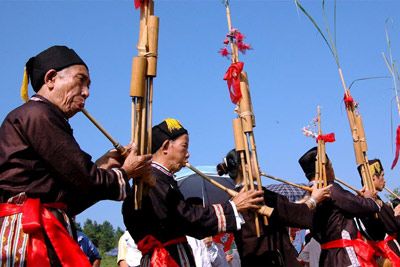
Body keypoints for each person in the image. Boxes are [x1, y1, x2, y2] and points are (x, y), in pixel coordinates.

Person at [0, 45, 153, 266]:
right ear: (51, 78)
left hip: (42, 229)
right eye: (81, 81)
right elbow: (85, 179)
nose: (86, 92)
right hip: (30, 238)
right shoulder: (39, 115)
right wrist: (126, 172)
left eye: (88, 86)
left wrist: (104, 164)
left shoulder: (41, 117)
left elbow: (70, 191)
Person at [122, 118, 264, 266]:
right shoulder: (152, 181)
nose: (188, 154)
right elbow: (186, 217)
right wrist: (232, 207)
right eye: (184, 146)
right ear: (165, 147)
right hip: (165, 260)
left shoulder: (161, 180)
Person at [216, 148, 331, 267]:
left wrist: (309, 198)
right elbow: (293, 214)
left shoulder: (234, 201)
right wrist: (314, 199)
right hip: (271, 260)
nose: (259, 166)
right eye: (254, 161)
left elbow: (287, 209)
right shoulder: (256, 195)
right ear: (245, 166)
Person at [298, 147, 380, 267]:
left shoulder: (309, 194)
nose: (332, 168)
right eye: (330, 164)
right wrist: (370, 199)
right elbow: (358, 205)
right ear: (324, 168)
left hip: (327, 258)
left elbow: (347, 204)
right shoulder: (328, 188)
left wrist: (360, 198)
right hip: (343, 257)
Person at [355, 159, 400, 265]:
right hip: (388, 253)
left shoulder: (361, 201)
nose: (384, 180)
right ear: (373, 178)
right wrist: (397, 216)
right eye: (382, 176)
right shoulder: (372, 203)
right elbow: (393, 227)